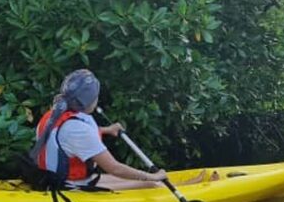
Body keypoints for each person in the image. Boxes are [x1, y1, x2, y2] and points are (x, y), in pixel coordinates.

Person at [29, 69, 216, 191]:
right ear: (89, 101)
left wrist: (106, 130)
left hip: (52, 179)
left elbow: (66, 139)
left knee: (113, 178)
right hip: (71, 187)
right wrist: (151, 175)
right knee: (150, 183)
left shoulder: (54, 114)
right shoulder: (78, 129)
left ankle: (183, 185)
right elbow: (115, 167)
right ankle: (192, 188)